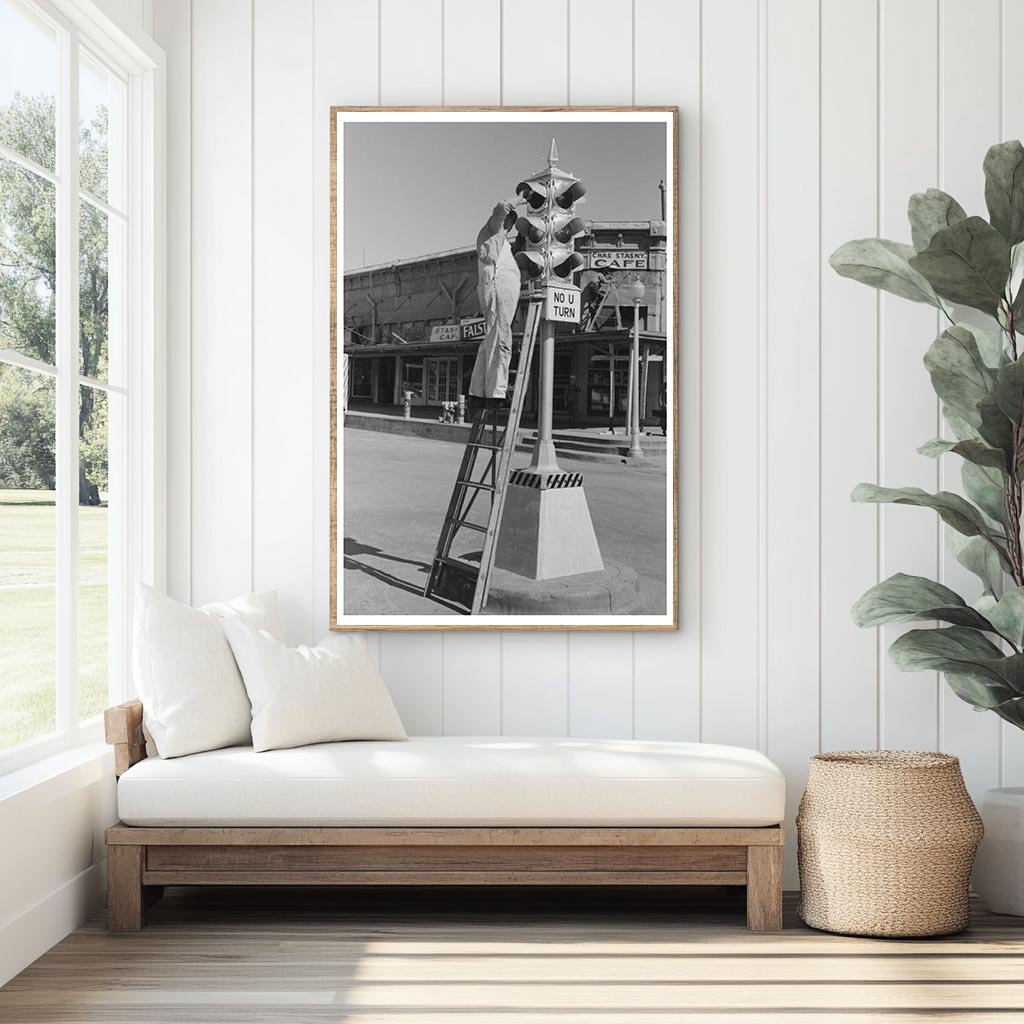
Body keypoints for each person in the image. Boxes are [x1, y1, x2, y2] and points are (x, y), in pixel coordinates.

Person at [469, 199, 521, 403]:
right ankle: (495, 392)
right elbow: (501, 207)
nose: (509, 225)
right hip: (497, 289)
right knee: (500, 339)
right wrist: (519, 199)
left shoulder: (503, 241)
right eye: (508, 221)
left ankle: (480, 390)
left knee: (492, 339)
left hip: (500, 290)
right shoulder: (492, 231)